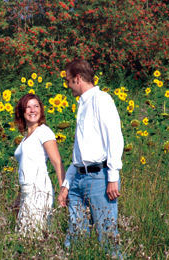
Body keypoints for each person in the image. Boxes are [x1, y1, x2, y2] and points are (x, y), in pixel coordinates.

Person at [57, 59, 124, 258]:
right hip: (78, 179)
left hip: (100, 177)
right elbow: (79, 154)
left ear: (78, 78)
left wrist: (112, 177)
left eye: (68, 81)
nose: (67, 86)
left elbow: (114, 138)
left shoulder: (101, 100)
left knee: (107, 237)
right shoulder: (82, 105)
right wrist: (66, 185)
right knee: (75, 237)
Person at [13, 93, 66, 237]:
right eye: (28, 107)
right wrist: (19, 197)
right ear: (22, 112)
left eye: (36, 106)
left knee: (33, 236)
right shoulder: (26, 137)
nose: (32, 110)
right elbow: (25, 168)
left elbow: (57, 161)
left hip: (39, 191)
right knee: (24, 236)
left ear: (41, 110)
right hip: (26, 191)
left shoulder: (44, 131)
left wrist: (63, 188)